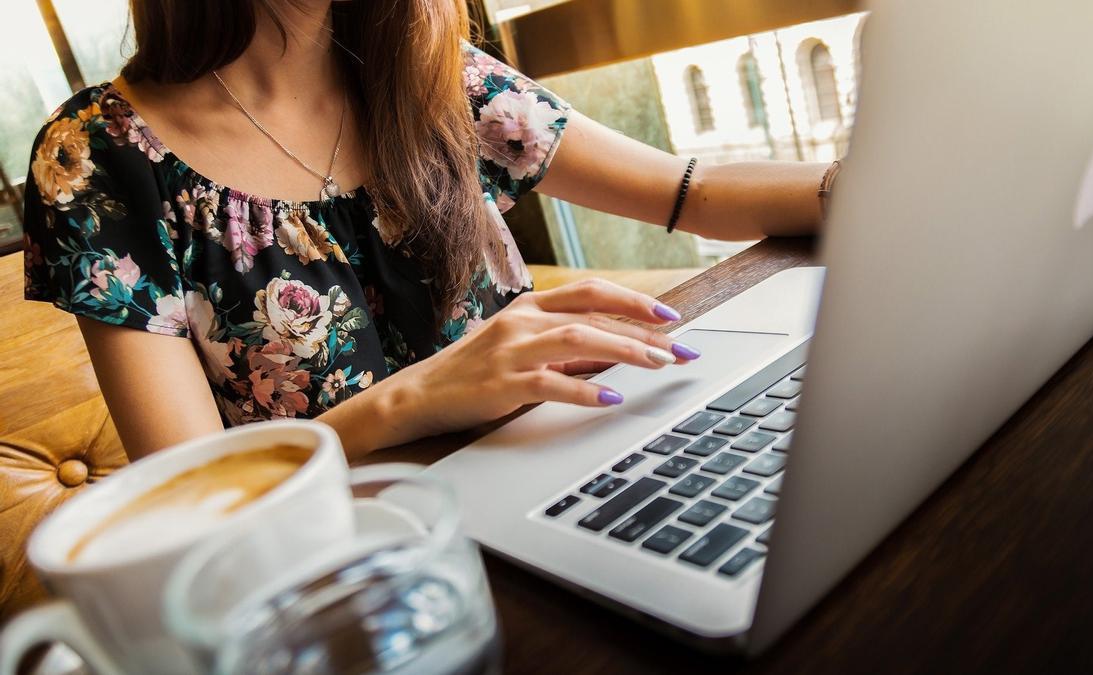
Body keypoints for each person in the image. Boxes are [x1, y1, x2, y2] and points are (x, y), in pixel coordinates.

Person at [22, 0, 831, 462]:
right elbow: (194, 492)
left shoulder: (430, 72)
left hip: (557, 467)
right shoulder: (97, 158)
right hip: (351, 573)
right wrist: (417, 398)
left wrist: (859, 185)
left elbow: (691, 192)